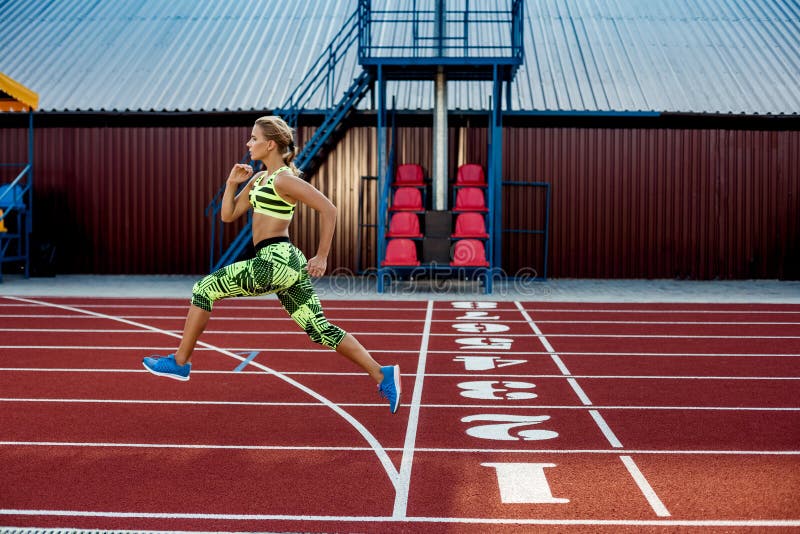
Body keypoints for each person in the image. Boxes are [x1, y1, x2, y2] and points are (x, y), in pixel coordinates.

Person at [142, 115, 401, 413]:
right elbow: (228, 215)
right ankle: (382, 373)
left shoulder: (283, 179)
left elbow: (329, 209)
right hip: (283, 263)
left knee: (204, 289)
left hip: (276, 260)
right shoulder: (258, 180)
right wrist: (231, 183)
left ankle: (180, 362)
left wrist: (322, 255)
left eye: (253, 138)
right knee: (319, 328)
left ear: (270, 144)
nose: (248, 143)